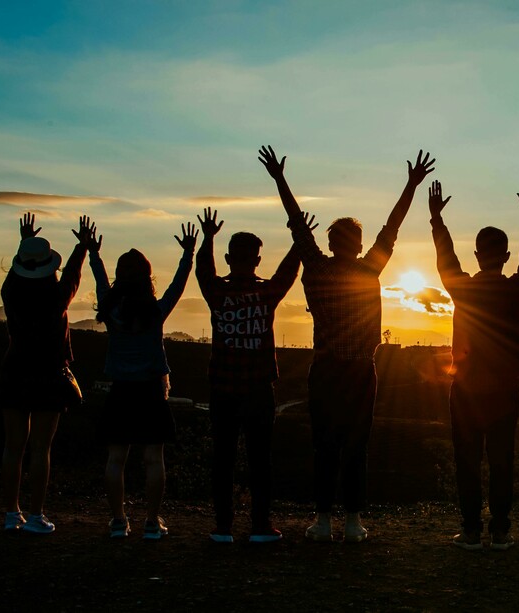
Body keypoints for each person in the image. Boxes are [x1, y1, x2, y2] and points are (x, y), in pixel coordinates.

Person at [259, 145, 435, 543]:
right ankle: (353, 522)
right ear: (357, 244)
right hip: (359, 371)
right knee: (357, 446)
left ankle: (322, 521)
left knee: (324, 445)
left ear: (331, 242)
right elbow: (392, 227)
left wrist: (280, 179)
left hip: (325, 369)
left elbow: (297, 225)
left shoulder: (317, 268)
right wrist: (411, 185)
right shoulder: (369, 269)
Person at [430, 179, 519, 551]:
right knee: (502, 461)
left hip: (465, 389)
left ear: (477, 255)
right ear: (505, 256)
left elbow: (446, 259)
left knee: (467, 462)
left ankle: (471, 531)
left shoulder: (463, 288)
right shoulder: (515, 290)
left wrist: (437, 221)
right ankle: (500, 531)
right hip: (505, 390)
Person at [195, 207, 316, 544]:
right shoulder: (266, 293)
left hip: (222, 388)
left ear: (228, 258)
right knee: (260, 460)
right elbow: (287, 273)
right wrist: (298, 241)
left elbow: (203, 271)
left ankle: (222, 527)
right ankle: (260, 525)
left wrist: (207, 238)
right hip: (259, 389)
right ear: (257, 260)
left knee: (223, 459)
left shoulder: (217, 292)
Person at [85, 221, 199, 540]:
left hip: (120, 390)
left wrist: (93, 253)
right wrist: (188, 254)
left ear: (120, 277)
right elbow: (177, 285)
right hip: (151, 391)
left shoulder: (110, 309)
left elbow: (100, 280)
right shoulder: (156, 311)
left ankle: (118, 521)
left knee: (116, 458)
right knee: (153, 459)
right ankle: (151, 522)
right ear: (147, 278)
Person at [0, 213, 93, 534]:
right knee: (41, 449)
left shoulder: (10, 292)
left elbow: (19, 273)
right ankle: (36, 514)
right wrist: (82, 246)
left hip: (15, 370)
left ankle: (11, 513)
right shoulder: (56, 297)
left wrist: (25, 242)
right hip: (49, 374)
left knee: (13, 447)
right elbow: (73, 276)